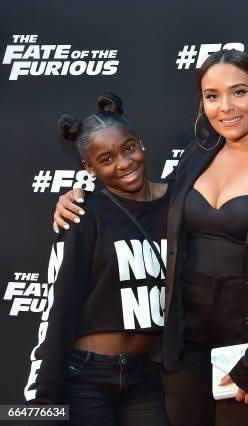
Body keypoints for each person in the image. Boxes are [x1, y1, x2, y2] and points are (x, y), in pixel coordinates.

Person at [53, 50, 248, 426]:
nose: (225, 107)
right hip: (185, 347)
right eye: (212, 96)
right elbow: (159, 205)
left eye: (238, 92)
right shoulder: (198, 154)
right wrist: (80, 198)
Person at [25, 93, 169, 425]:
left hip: (147, 374)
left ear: (141, 144)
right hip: (86, 376)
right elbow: (58, 308)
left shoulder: (176, 203)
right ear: (90, 168)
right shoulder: (83, 214)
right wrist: (42, 400)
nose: (124, 163)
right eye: (106, 159)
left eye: (128, 148)